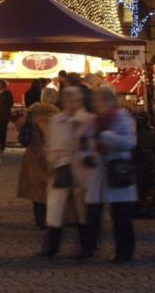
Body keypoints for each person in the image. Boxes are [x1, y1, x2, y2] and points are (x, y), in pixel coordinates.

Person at [82, 87, 138, 263]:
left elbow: (129, 142)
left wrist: (106, 136)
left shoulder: (122, 117)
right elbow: (86, 142)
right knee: (93, 212)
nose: (94, 104)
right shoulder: (95, 121)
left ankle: (124, 252)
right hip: (99, 172)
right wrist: (87, 156)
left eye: (97, 101)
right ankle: (88, 248)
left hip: (117, 170)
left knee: (121, 215)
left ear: (107, 101)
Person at [39, 86, 95, 258]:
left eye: (75, 100)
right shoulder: (57, 120)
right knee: (56, 208)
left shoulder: (88, 120)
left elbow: (92, 145)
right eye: (69, 100)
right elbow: (52, 144)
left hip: (81, 169)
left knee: (82, 211)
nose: (72, 104)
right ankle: (50, 247)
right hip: (61, 167)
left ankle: (87, 247)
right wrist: (52, 162)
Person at [17, 86, 60, 229]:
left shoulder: (32, 110)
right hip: (51, 152)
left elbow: (19, 126)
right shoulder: (56, 114)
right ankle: (50, 218)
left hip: (34, 152)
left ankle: (39, 219)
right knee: (50, 186)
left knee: (36, 187)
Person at [0, 80, 14, 152]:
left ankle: (2, 146)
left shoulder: (7, 93)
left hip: (3, 117)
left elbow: (10, 103)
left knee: (2, 133)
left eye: (0, 84)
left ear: (3, 85)